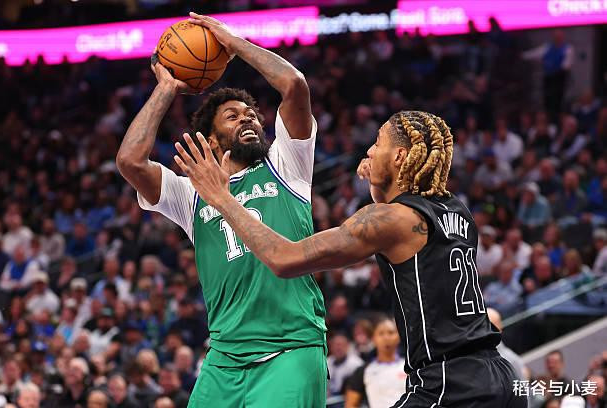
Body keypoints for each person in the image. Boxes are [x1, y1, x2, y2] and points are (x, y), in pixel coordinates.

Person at [177, 109, 527, 407]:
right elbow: (394, 215)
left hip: (449, 380)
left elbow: (283, 258)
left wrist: (222, 199)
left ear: (400, 157)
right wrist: (379, 182)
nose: (369, 151)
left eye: (378, 143)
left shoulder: (391, 220)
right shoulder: (457, 212)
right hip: (498, 374)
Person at [116, 12, 327, 408]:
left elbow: (294, 85)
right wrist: (166, 88)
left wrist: (234, 43)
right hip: (223, 357)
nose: (247, 118)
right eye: (232, 116)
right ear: (211, 141)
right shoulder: (191, 192)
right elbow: (130, 161)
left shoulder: (287, 165)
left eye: (251, 115)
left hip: (290, 348)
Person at [345, 318, 407, 408]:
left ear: (399, 337)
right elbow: (351, 404)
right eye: (381, 333)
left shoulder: (410, 368)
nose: (386, 338)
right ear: (373, 338)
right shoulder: (363, 371)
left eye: (391, 333)